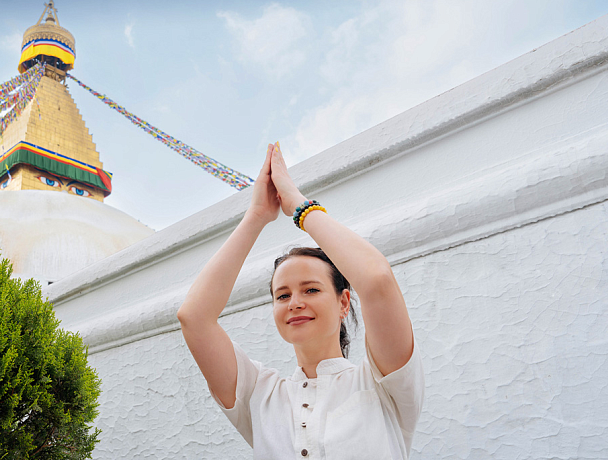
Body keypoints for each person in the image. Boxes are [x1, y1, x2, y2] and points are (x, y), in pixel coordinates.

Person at [177, 143, 424, 459]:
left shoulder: (383, 383)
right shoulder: (260, 395)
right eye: (282, 295)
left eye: (311, 290)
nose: (294, 302)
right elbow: (193, 318)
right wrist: (255, 217)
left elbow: (377, 279)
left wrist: (299, 206)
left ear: (343, 302)